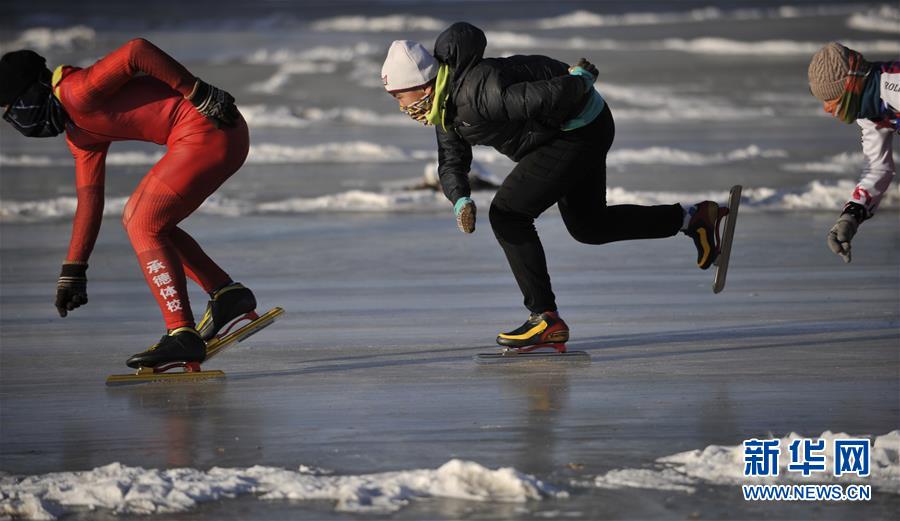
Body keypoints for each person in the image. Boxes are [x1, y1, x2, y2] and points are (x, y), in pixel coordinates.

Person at [380, 23, 729, 353]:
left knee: (508, 214)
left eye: (399, 96)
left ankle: (544, 318)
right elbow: (451, 160)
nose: (400, 106)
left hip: (576, 129)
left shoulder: (478, 91)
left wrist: (580, 79)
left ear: (423, 85)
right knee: (589, 226)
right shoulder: (446, 107)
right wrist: (460, 200)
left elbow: (541, 97)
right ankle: (693, 219)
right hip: (579, 127)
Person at [0, 39, 258, 369]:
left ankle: (182, 333)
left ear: (33, 90)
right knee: (150, 223)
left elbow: (136, 51)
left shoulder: (77, 90)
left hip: (210, 127)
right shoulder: (79, 133)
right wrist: (73, 270)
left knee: (141, 221)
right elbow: (89, 201)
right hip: (215, 136)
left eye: (11, 107)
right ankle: (226, 295)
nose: (12, 118)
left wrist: (197, 91)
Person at [807, 42, 898, 263]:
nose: (828, 109)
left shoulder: (894, 86)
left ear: (851, 85)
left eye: (831, 100)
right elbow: (877, 168)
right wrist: (850, 217)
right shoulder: (870, 109)